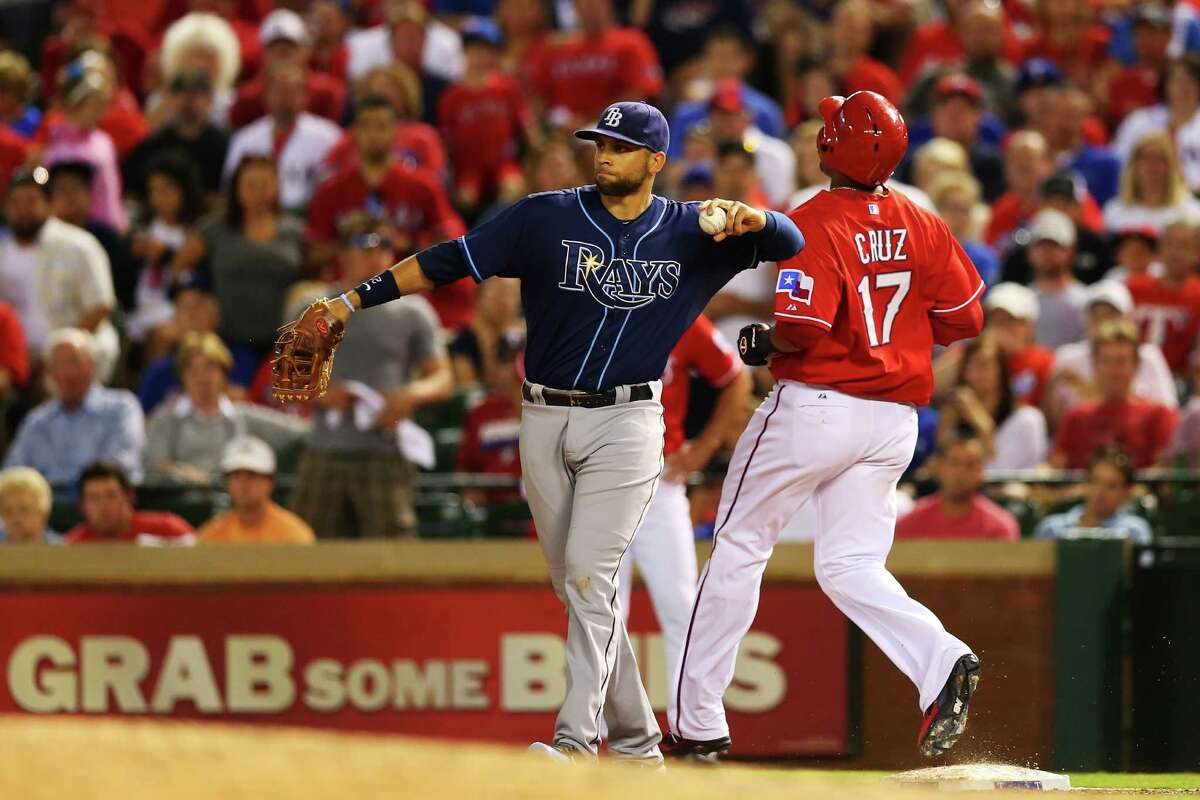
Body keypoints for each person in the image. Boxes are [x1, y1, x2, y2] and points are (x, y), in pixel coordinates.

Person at [289, 100, 803, 765]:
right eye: (599, 143)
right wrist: (352, 300)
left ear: (655, 161)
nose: (605, 155)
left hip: (627, 420)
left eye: (620, 145)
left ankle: (575, 740)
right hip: (543, 415)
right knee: (577, 589)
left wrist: (754, 215)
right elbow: (451, 259)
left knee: (592, 578)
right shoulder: (546, 216)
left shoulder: (690, 232)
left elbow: (790, 242)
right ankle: (640, 746)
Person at [669, 91, 982, 762]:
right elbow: (965, 318)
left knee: (739, 546)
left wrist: (761, 344)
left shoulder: (812, 216)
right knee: (850, 565)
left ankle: (697, 724)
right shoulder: (923, 220)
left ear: (832, 146)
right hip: (894, 421)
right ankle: (941, 659)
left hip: (818, 407)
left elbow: (803, 331)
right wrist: (897, 332)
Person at [291, 217, 453, 540]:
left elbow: (443, 378)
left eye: (387, 245)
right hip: (326, 449)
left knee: (394, 556)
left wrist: (410, 395)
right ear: (342, 253)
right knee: (311, 552)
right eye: (367, 244)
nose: (378, 254)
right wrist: (323, 393)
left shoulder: (413, 311)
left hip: (386, 453)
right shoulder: (315, 307)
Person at [616, 313, 750, 699]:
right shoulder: (590, 303)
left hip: (661, 479)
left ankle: (689, 724)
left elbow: (735, 377)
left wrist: (705, 447)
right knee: (602, 612)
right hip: (598, 477)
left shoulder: (682, 310)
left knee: (681, 607)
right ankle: (595, 733)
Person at [306, 96, 463, 277]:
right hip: (346, 289)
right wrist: (354, 245)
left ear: (396, 130)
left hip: (409, 287)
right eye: (366, 126)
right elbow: (313, 254)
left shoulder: (424, 186)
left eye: (381, 126)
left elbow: (448, 243)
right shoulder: (330, 190)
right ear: (354, 131)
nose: (373, 134)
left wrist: (407, 243)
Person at [176, 155, 305, 357]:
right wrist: (198, 295)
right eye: (250, 185)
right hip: (228, 339)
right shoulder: (213, 230)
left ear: (276, 187)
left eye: (264, 184)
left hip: (282, 343)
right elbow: (179, 270)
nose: (258, 192)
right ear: (236, 188)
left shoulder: (296, 231)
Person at [144, 332, 309, 483]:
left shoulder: (244, 416)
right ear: (182, 377)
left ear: (224, 374)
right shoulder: (165, 418)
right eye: (193, 370)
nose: (202, 378)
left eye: (209, 368)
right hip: (178, 504)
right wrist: (185, 474)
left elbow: (300, 432)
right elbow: (154, 468)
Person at [0, 170, 120, 379]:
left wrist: (57, 356)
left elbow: (101, 306)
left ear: (49, 204)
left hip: (76, 352)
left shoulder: (78, 245)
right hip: (18, 356)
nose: (22, 209)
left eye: (31, 200)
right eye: (15, 202)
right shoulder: (3, 252)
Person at [3, 328, 144, 486]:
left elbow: (121, 466)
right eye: (59, 364)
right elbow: (11, 475)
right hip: (49, 505)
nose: (68, 372)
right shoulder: (37, 421)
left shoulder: (121, 408)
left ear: (92, 366)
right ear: (50, 373)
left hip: (102, 501)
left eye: (74, 362)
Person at [437, 18, 535, 215]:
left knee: (512, 189)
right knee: (466, 197)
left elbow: (526, 128)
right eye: (475, 50)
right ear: (465, 52)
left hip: (503, 162)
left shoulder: (507, 88)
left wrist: (533, 157)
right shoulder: (452, 97)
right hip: (468, 167)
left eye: (487, 50)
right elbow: (446, 142)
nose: (481, 57)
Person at [1045, 280, 1176, 428]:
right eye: (1096, 315)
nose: (1103, 322)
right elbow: (1054, 423)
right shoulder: (1067, 356)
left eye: (1110, 315)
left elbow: (1168, 412)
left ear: (1128, 317)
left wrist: (1089, 390)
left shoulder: (1149, 356)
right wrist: (1051, 385)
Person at [1049, 320, 1177, 470]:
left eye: (1121, 361)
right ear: (1095, 365)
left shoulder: (1159, 415)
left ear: (1135, 365)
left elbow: (1163, 469)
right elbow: (1054, 466)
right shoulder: (1076, 416)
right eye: (1106, 361)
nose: (1113, 370)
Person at [221, 63, 342, 212]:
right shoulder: (245, 139)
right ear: (266, 94)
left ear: (305, 95)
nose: (285, 97)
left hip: (308, 218)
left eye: (292, 90)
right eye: (279, 90)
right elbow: (230, 190)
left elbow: (334, 189)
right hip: (256, 217)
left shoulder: (329, 137)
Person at [528, 0, 663, 125]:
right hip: (560, 130)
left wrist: (590, 120)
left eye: (595, 2)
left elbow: (641, 94)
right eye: (584, 3)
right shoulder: (557, 49)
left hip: (614, 126)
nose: (589, 8)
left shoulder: (632, 42)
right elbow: (537, 98)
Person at [41, 55, 128, 232]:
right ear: (74, 106)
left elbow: (111, 187)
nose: (100, 111)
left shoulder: (104, 140)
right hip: (66, 225)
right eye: (94, 105)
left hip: (104, 226)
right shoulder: (53, 138)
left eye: (102, 105)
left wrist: (118, 222)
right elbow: (42, 177)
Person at [937, 333, 1047, 473]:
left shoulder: (1027, 420)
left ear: (1001, 369)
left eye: (984, 364)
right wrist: (945, 429)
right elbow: (943, 469)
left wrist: (982, 424)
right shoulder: (955, 413)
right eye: (970, 363)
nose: (976, 371)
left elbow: (999, 471)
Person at [228, 9, 346, 129]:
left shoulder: (328, 93)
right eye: (275, 47)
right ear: (263, 53)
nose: (282, 53)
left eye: (289, 47)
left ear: (305, 50)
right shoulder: (247, 98)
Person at [124, 68, 230, 199]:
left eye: (196, 95)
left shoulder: (224, 144)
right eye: (182, 94)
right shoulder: (154, 144)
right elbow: (133, 188)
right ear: (170, 98)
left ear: (210, 98)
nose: (189, 102)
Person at [47, 160, 135, 316]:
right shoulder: (40, 238)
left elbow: (120, 293)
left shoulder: (107, 238)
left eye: (75, 189)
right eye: (61, 190)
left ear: (89, 195)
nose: (69, 197)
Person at [895, 433, 1020, 541]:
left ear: (982, 472)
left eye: (970, 465)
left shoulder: (1000, 527)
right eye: (954, 463)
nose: (961, 472)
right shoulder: (909, 523)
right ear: (939, 466)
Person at [198, 436, 316, 544]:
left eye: (252, 475)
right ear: (226, 482)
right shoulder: (212, 534)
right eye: (237, 476)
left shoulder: (293, 534)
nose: (243, 484)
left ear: (270, 482)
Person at [455, 335, 525, 506]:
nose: (510, 369)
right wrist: (471, 492)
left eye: (516, 360)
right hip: (490, 504)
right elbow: (465, 465)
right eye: (505, 361)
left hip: (532, 500)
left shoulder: (544, 406)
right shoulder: (480, 411)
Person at [1127, 216, 1200, 376]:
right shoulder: (1132, 287)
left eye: (1184, 246)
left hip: (1182, 381)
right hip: (1132, 376)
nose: (1175, 252)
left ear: (1197, 252)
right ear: (1159, 250)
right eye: (1169, 244)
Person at [1035, 446, 1152, 544]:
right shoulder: (1051, 528)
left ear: (1126, 492)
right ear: (1084, 482)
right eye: (1095, 481)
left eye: (1112, 485)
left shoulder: (1134, 531)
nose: (1100, 492)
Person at [64, 461, 194, 544]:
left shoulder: (169, 529)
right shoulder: (74, 543)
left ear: (129, 497)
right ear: (82, 506)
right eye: (93, 498)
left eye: (111, 495)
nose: (103, 505)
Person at [1104, 132, 1200, 234]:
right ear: (1134, 166)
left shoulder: (1191, 213)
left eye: (1160, 159)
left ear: (1172, 166)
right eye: (1146, 158)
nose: (1153, 166)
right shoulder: (1115, 212)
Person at [1022, 209, 1089, 349]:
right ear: (1030, 251)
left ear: (1070, 251)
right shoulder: (1020, 301)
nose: (1046, 253)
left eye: (1054, 246)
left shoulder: (1086, 301)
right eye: (1040, 246)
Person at [449, 277, 523, 386]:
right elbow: (469, 391)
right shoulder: (464, 341)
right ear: (479, 297)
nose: (504, 302)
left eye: (511, 294)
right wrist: (486, 345)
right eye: (498, 293)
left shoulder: (526, 337)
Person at [0, 466, 59, 544]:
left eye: (24, 509)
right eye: (8, 511)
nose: (16, 518)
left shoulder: (66, 550)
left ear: (43, 512)